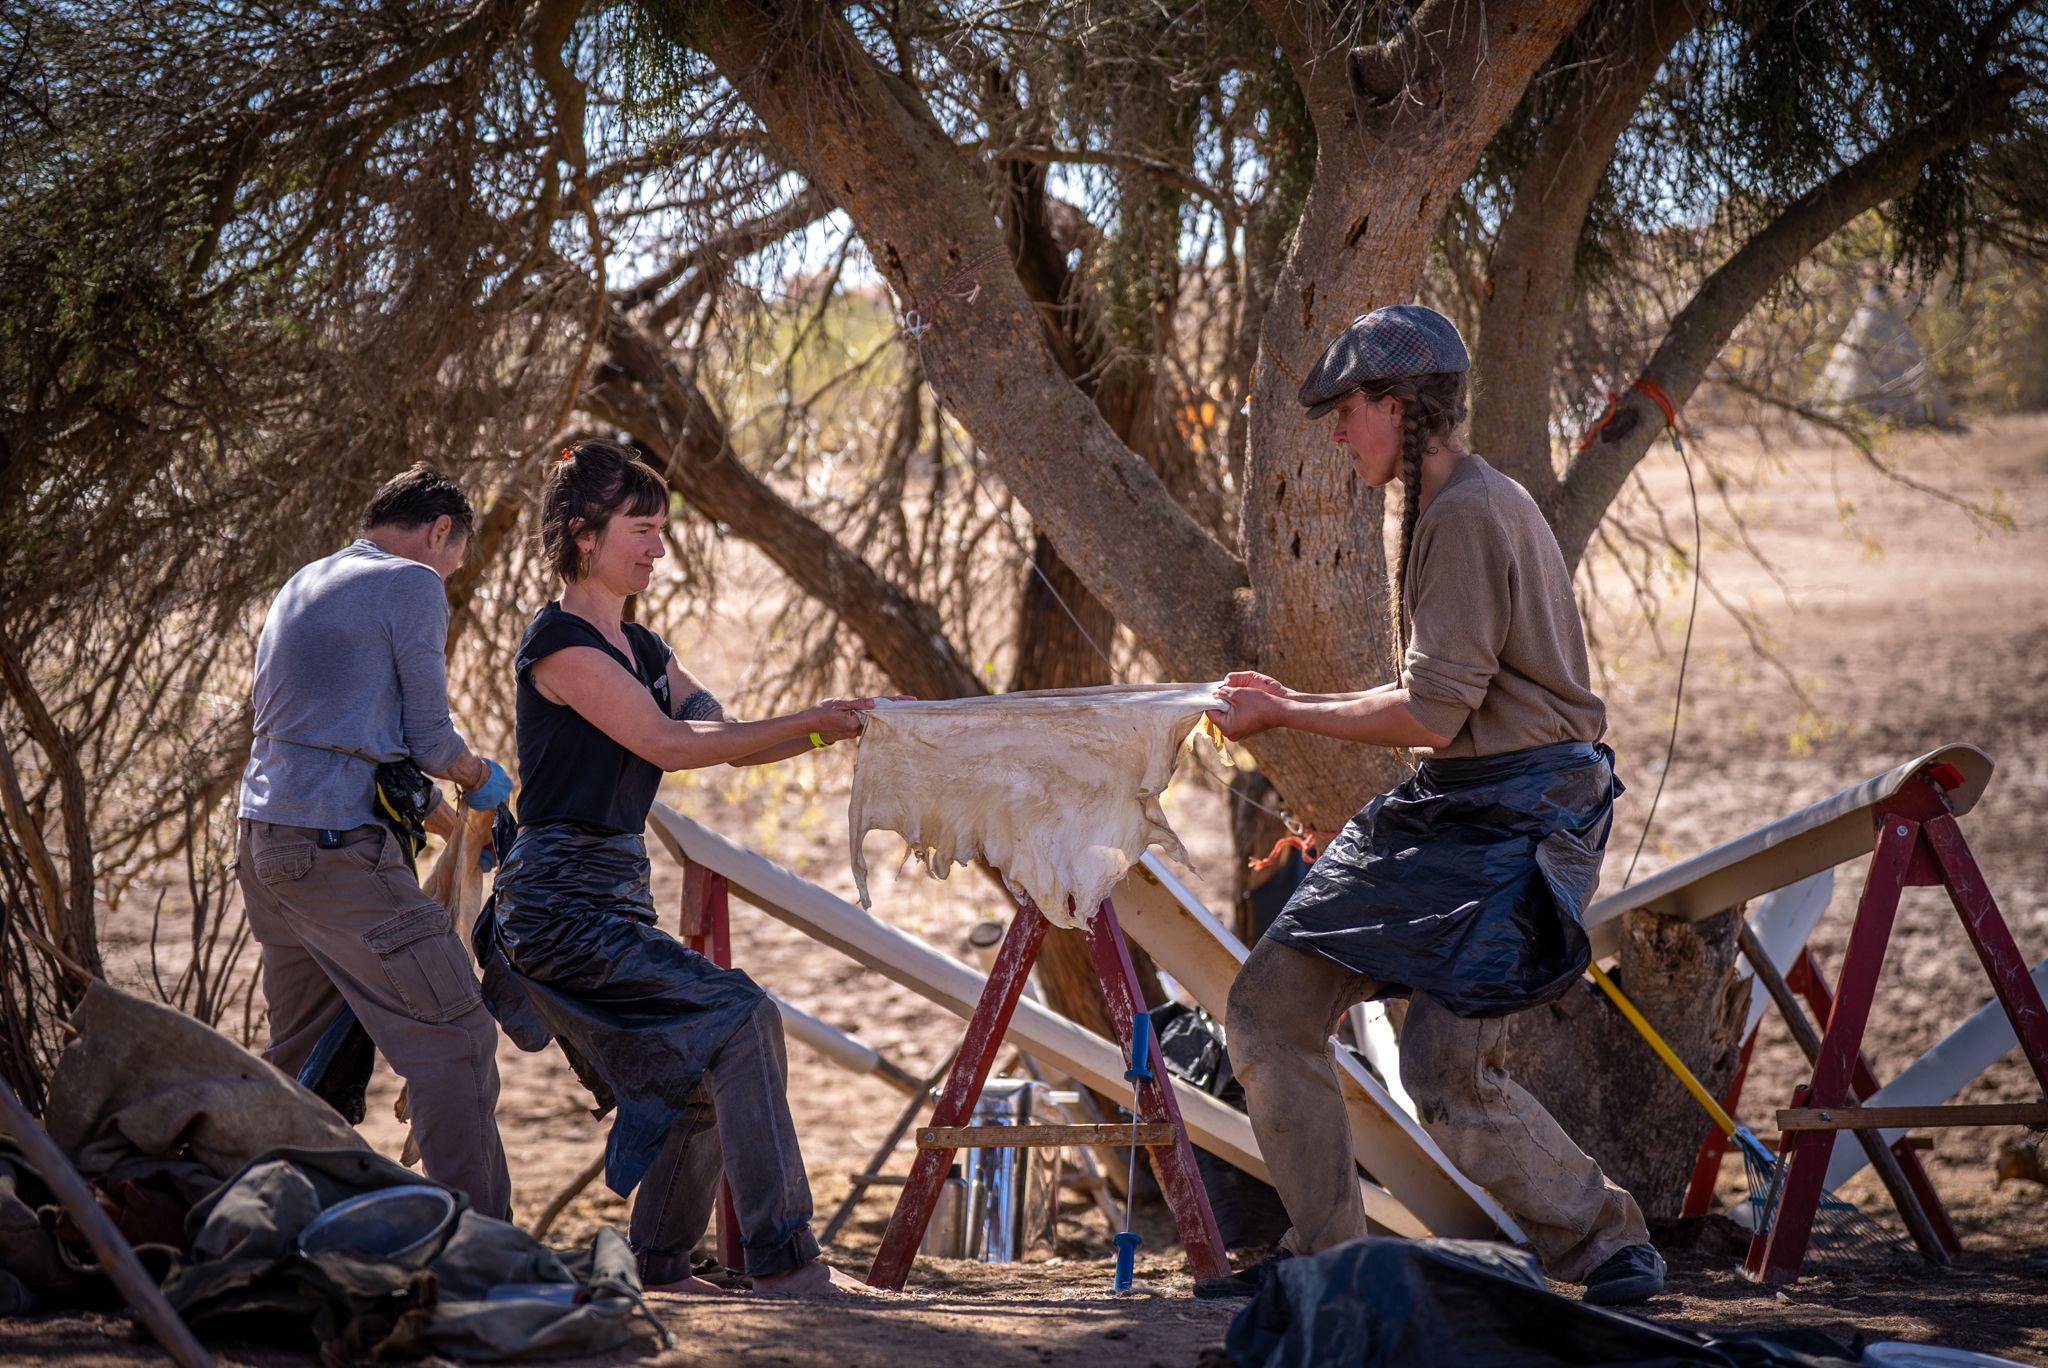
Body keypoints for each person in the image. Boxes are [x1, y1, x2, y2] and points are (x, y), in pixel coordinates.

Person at [1204, 305, 1665, 1306]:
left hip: (1519, 818)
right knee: (1270, 1009)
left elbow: (1429, 713)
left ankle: (1607, 1242)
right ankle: (1325, 1265)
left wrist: (1282, 710)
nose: (1338, 433)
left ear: (1398, 404)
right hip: (1459, 805)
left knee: (1447, 1078)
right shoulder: (1456, 499)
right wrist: (1290, 702)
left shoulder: (1463, 512)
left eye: (1348, 410)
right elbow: (1441, 703)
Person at [474, 440, 875, 1298]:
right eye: (643, 529)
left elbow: (724, 739)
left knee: (698, 1062)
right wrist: (805, 718)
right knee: (743, 1015)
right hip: (557, 906)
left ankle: (659, 1268)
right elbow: (666, 742)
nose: (659, 548)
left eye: (663, 529)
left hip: (614, 896)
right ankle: (786, 1263)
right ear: (584, 536)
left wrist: (839, 725)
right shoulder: (560, 644)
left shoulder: (645, 649)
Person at [238, 464, 515, 1218]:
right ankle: (484, 1248)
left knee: (302, 1059)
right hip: (334, 849)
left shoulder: (308, 581)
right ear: (439, 531)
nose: (447, 577)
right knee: (456, 1036)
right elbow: (429, 741)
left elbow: (354, 748)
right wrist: (481, 778)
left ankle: (261, 1222)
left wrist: (456, 829)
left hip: (267, 844)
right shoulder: (411, 581)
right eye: (454, 561)